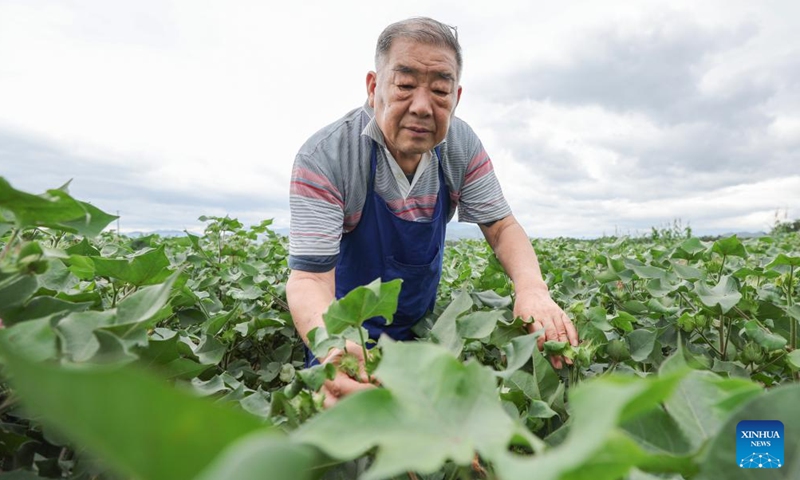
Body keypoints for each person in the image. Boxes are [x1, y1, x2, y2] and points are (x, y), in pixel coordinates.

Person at [286, 17, 578, 407]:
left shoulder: (459, 145)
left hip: (423, 326)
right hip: (342, 330)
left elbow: (502, 226)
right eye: (405, 85)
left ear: (456, 96)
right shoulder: (327, 156)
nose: (423, 107)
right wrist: (334, 349)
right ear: (374, 88)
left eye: (440, 90)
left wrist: (532, 291)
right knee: (347, 421)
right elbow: (309, 279)